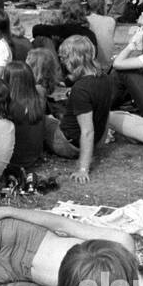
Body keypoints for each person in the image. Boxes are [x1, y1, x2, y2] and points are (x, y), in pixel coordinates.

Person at [51, 35, 113, 183]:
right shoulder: (104, 78)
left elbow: (87, 131)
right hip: (95, 141)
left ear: (72, 60)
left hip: (70, 144)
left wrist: (83, 169)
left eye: (65, 59)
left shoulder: (81, 89)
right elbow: (105, 114)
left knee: (45, 120)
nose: (64, 64)